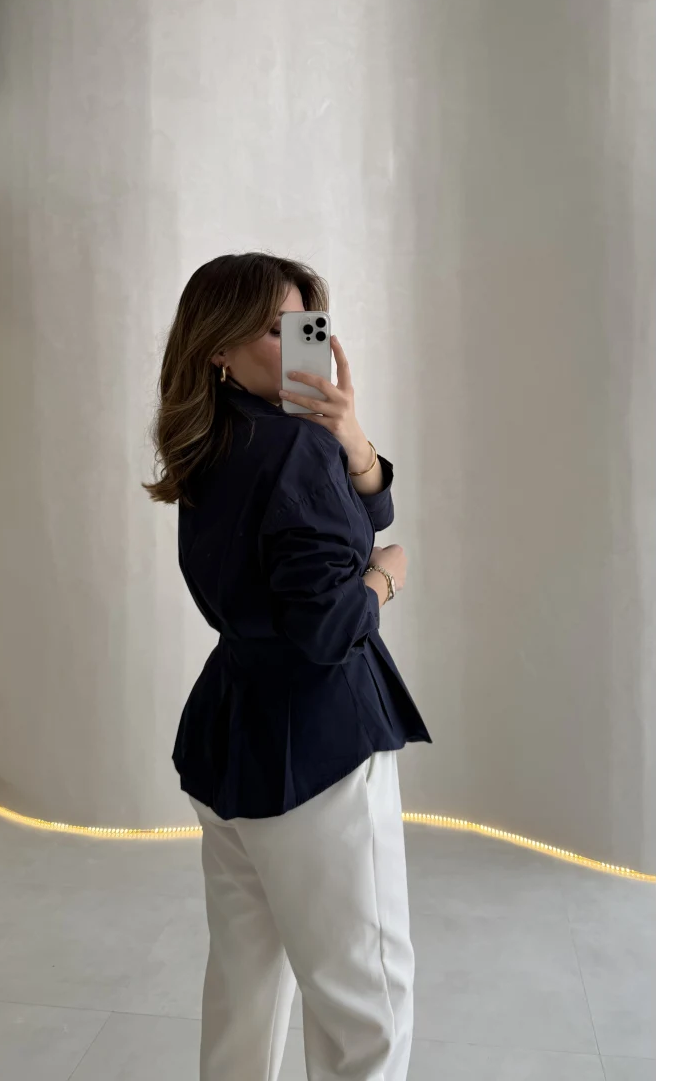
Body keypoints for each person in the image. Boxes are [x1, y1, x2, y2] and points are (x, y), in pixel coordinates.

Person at [146, 252, 431, 1081]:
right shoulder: (292, 448)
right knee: (367, 1009)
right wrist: (386, 576)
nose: (300, 342)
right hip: (319, 744)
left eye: (306, 323)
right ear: (218, 346)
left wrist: (353, 442)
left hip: (231, 735)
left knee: (246, 985)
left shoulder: (208, 441)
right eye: (274, 329)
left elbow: (364, 509)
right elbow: (328, 626)